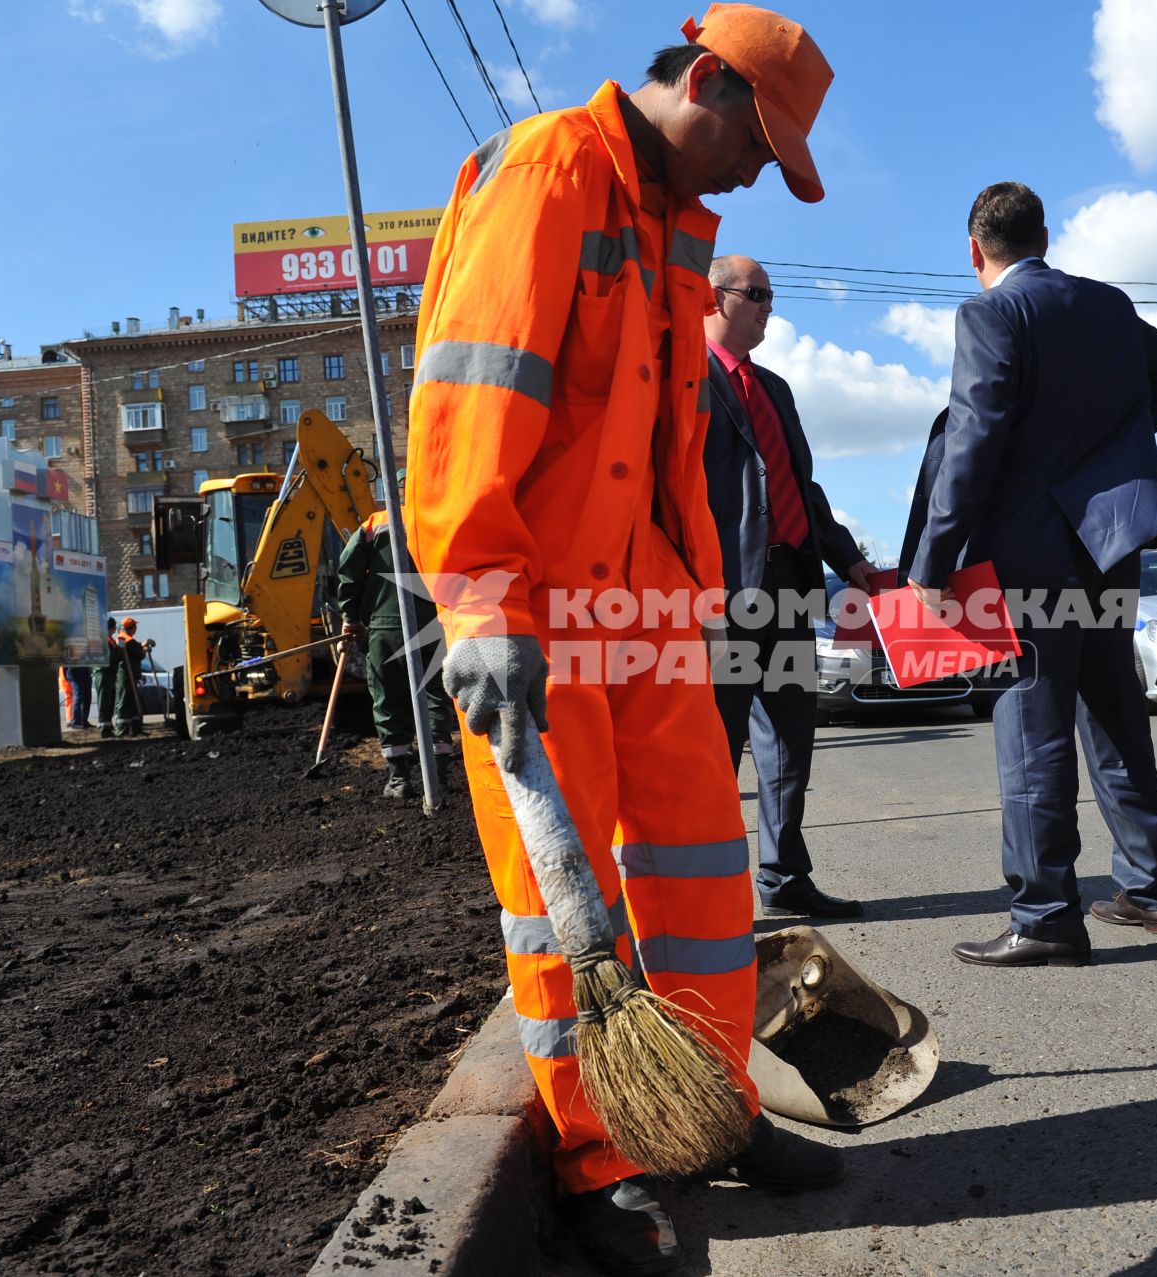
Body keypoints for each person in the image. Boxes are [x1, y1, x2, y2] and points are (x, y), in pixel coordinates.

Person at [401, 8, 841, 1273]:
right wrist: (477, 603)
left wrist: (697, 602)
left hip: (645, 613)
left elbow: (656, 449)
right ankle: (602, 1157)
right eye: (762, 140)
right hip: (535, 614)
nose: (764, 172)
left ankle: (708, 1110)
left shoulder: (669, 228)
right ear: (702, 79)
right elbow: (467, 400)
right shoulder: (548, 174)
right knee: (561, 908)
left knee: (704, 877)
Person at [907, 182, 1157, 969]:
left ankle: (1045, 915)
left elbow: (973, 439)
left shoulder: (990, 313)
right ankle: (1151, 891)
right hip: (1108, 546)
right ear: (1045, 235)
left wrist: (933, 562)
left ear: (976, 250)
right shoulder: (1106, 305)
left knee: (1032, 734)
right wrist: (1117, 441)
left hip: (1028, 558)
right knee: (1114, 718)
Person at [702, 253, 872, 919]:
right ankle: (705, 893)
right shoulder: (679, 377)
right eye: (757, 294)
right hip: (723, 592)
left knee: (789, 741)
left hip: (792, 584)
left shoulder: (774, 387)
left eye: (771, 294)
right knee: (717, 747)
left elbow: (804, 485)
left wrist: (846, 557)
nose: (769, 305)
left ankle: (784, 877)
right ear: (713, 299)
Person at [335, 501, 457, 799]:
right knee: (435, 695)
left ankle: (399, 778)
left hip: (387, 625)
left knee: (388, 697)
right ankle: (438, 774)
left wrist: (350, 618)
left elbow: (349, 570)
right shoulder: (441, 512)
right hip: (435, 622)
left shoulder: (376, 522)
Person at [113, 617, 148, 738]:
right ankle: (122, 730)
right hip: (126, 676)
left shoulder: (124, 638)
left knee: (132, 702)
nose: (136, 629)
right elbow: (138, 654)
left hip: (128, 675)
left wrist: (142, 644)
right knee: (124, 701)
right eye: (135, 627)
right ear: (131, 628)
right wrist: (144, 649)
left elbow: (135, 646)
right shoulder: (126, 640)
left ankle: (134, 729)